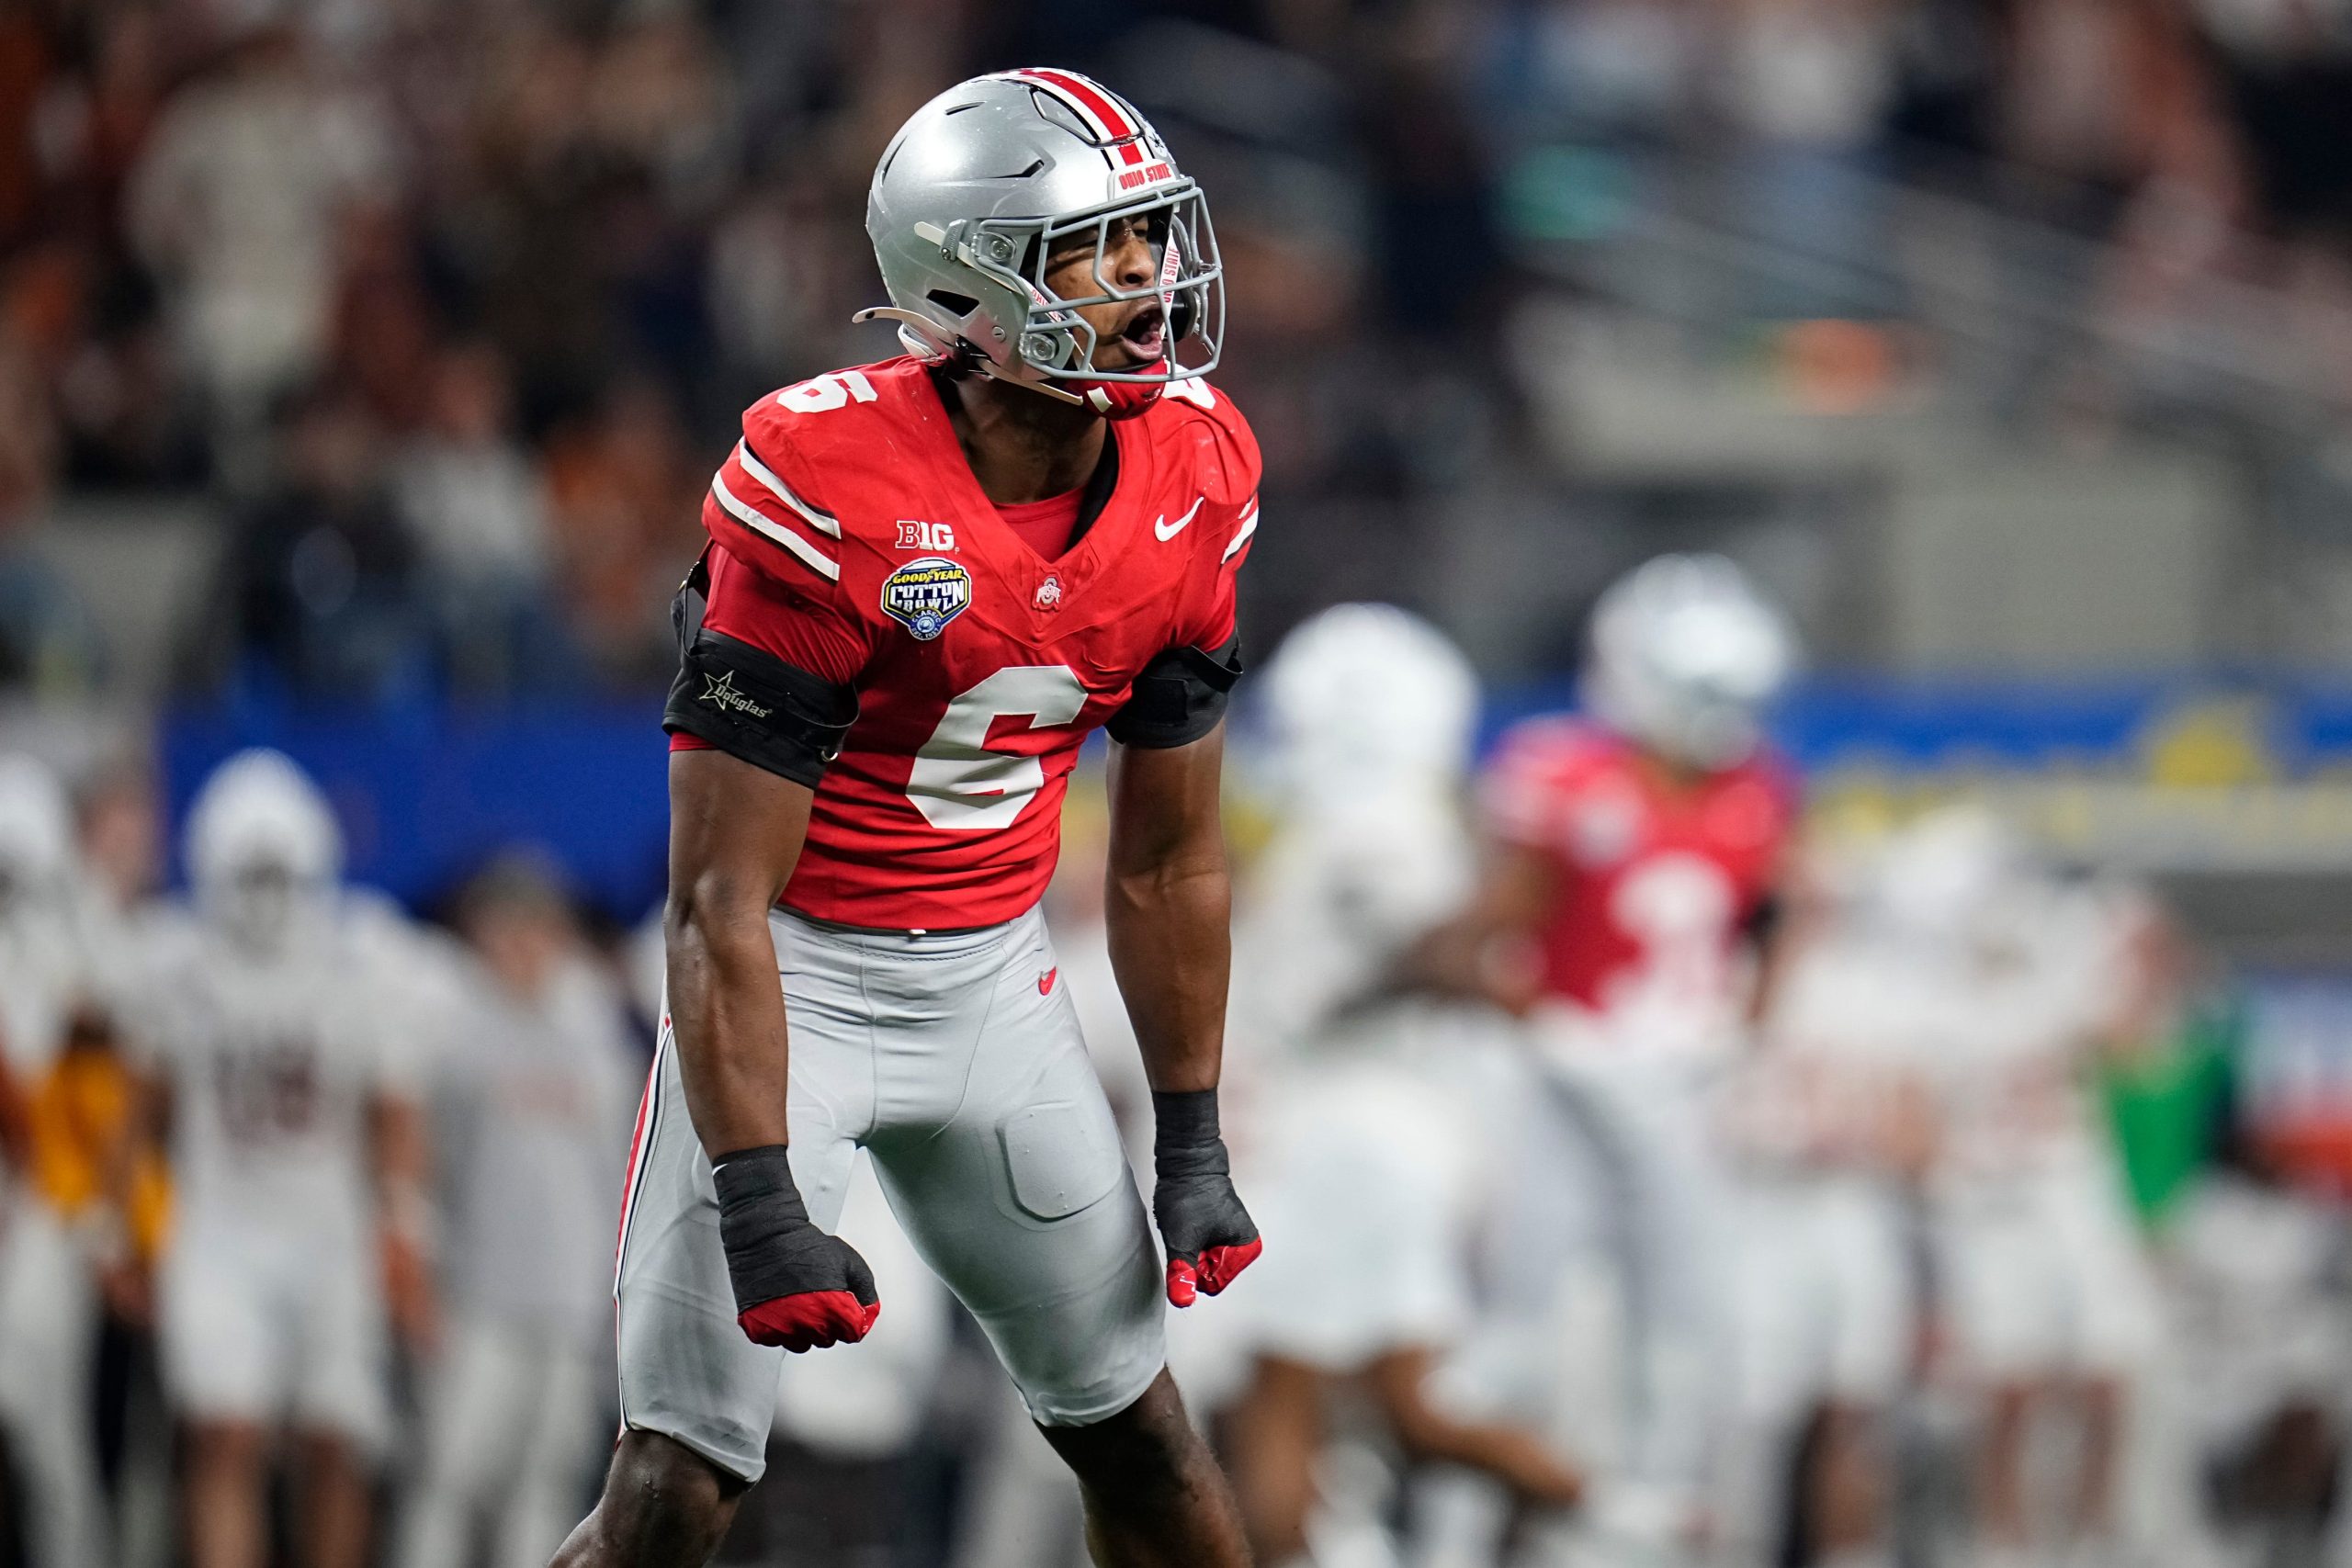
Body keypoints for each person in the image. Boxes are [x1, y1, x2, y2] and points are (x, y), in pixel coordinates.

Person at [559, 70, 1263, 1568]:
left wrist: (1192, 1137)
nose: (1151, 278)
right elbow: (715, 899)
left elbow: (1166, 857)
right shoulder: (827, 484)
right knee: (675, 1486)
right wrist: (758, 1193)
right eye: (1100, 248)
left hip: (995, 977)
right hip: (795, 974)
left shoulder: (1196, 469)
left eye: (1151, 236)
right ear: (970, 284)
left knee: (1143, 1438)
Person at [1408, 553, 1801, 1560]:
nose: (1725, 720)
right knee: (1519, 1329)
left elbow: (1774, 919)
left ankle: (1644, 1535)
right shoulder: (1566, 776)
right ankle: (1449, 1541)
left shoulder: (1759, 791)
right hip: (1562, 1083)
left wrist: (1745, 1028)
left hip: (1686, 1086)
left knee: (1687, 1334)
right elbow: (1485, 934)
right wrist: (1540, 1026)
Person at [1219, 604, 1587, 1568]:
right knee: (1362, 1409)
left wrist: (1511, 906)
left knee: (1302, 1392)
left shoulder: (1376, 828)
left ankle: (1610, 1508)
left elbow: (1431, 955)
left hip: (1353, 1125)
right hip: (1371, 1120)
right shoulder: (1379, 823)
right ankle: (1606, 1509)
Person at [132, 750, 435, 1568]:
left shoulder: (358, 955)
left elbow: (392, 1106)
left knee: (335, 1440)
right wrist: (123, 1227)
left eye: (277, 874)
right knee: (224, 1431)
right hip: (220, 1227)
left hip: (330, 1230)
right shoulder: (177, 962)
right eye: (251, 874)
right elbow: (146, 1105)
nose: (265, 895)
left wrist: (404, 1229)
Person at [393, 854, 638, 1568]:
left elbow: (616, 1172)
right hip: (478, 1294)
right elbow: (425, 1163)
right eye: (509, 927)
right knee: (451, 1473)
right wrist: (422, 1272)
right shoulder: (454, 1032)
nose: (525, 945)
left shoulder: (596, 1035)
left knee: (548, 1481)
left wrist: (616, 1290)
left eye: (538, 927)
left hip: (568, 1299)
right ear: (481, 934)